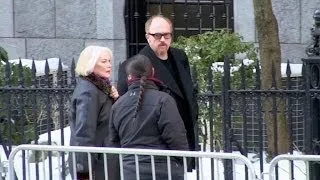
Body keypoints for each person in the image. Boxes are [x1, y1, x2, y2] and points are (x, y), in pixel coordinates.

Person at [117, 14, 198, 169]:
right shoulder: (134, 64)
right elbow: (125, 103)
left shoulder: (180, 57)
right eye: (157, 35)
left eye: (166, 35)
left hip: (183, 133)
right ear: (148, 37)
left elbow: (187, 90)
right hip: (156, 141)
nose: (162, 39)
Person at [110, 54, 188, 180]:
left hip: (131, 171)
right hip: (165, 170)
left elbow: (114, 142)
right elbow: (176, 137)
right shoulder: (164, 100)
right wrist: (182, 162)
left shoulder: (117, 105)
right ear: (152, 71)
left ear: (129, 76)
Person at [69, 45, 120, 180]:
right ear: (90, 64)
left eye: (109, 61)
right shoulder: (89, 91)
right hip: (95, 164)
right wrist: (84, 170)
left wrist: (115, 99)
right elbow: (84, 132)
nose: (109, 65)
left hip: (104, 159)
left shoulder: (101, 88)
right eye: (103, 61)